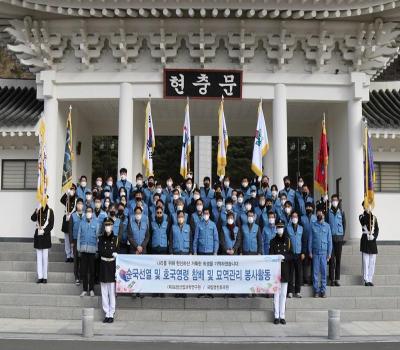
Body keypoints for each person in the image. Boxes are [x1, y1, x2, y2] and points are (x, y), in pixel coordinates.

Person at [269, 221, 291, 325]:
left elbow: (292, 255)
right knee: (276, 294)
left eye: (281, 227)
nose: (280, 229)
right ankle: (276, 316)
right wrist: (276, 258)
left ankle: (282, 316)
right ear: (276, 229)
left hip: (285, 269)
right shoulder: (272, 241)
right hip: (276, 270)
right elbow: (270, 255)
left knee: (283, 294)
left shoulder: (288, 240)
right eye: (278, 227)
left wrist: (285, 257)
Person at [309, 207, 332, 298]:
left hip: (324, 253)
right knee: (315, 273)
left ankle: (323, 290)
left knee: (323, 272)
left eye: (321, 214)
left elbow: (329, 241)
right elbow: (310, 240)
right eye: (318, 214)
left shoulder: (327, 226)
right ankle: (316, 291)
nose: (319, 215)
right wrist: (310, 251)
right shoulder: (313, 225)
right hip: (315, 252)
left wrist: (329, 253)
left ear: (323, 215)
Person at [98, 219, 118, 323]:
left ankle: (112, 313)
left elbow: (116, 250)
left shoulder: (116, 238)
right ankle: (106, 313)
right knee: (104, 291)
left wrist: (112, 254)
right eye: (106, 225)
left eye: (109, 224)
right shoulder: (101, 238)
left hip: (111, 265)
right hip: (103, 264)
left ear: (113, 226)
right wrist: (110, 253)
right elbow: (101, 251)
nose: (107, 226)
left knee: (111, 291)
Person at [77, 206, 99, 297]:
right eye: (87, 211)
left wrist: (97, 250)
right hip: (83, 250)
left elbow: (98, 238)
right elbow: (78, 236)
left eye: (90, 211)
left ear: (92, 213)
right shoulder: (82, 223)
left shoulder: (96, 223)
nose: (88, 213)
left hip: (92, 250)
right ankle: (85, 289)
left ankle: (92, 289)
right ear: (85, 213)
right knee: (84, 271)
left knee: (92, 271)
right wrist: (78, 249)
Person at [31, 203, 54, 283]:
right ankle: (40, 276)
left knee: (45, 258)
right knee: (39, 258)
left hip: (45, 236)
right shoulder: (38, 210)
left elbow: (51, 225)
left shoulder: (50, 211)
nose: (42, 202)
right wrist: (36, 210)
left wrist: (44, 231)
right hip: (38, 237)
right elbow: (32, 218)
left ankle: (45, 277)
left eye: (44, 200)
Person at [327, 194, 346, 287]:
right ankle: (331, 279)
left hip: (339, 239)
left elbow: (344, 224)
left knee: (338, 260)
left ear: (338, 201)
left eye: (336, 200)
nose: (334, 201)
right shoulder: (328, 212)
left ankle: (337, 279)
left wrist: (342, 237)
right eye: (333, 200)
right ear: (331, 201)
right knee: (331, 260)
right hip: (330, 239)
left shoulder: (341, 212)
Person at [286, 211, 306, 298]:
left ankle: (297, 291)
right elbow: (286, 242)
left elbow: (304, 241)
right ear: (291, 218)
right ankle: (289, 291)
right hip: (290, 254)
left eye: (296, 216)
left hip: (299, 254)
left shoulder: (301, 228)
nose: (294, 218)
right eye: (293, 216)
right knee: (290, 273)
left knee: (298, 273)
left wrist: (303, 252)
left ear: (298, 218)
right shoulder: (287, 228)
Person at [360, 202, 379, 286]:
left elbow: (377, 229)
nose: (369, 207)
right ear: (364, 207)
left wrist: (374, 236)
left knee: (372, 262)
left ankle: (370, 279)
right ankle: (366, 279)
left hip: (372, 241)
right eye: (367, 206)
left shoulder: (374, 217)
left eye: (369, 206)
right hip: (365, 239)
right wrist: (367, 212)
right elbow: (363, 222)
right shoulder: (362, 216)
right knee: (366, 261)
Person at [300, 202, 317, 285]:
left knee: (313, 262)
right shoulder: (302, 218)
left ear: (313, 208)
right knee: (305, 262)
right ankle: (305, 279)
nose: (309, 208)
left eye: (310, 207)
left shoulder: (315, 218)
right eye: (307, 207)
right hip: (304, 242)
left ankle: (312, 279)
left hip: (313, 243)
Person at [69, 198, 85, 285]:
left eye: (81, 204)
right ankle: (76, 277)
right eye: (78, 204)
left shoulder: (86, 215)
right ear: (76, 205)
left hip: (83, 240)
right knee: (76, 259)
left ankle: (82, 275)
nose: (80, 205)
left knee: (82, 259)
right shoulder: (73, 215)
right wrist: (71, 241)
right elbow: (70, 229)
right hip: (75, 240)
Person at [60, 184, 77, 262]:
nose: (72, 191)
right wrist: (67, 193)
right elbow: (61, 200)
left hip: (73, 220)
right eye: (70, 189)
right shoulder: (67, 199)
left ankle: (73, 255)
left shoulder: (77, 199)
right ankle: (68, 255)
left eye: (73, 189)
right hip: (66, 220)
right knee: (67, 239)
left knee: (72, 238)